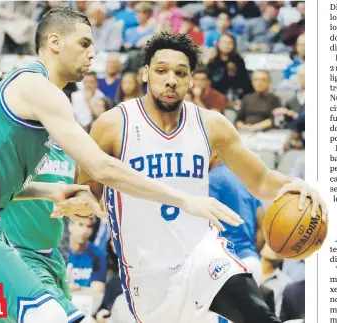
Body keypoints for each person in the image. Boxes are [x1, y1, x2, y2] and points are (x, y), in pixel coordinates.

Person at [0, 9, 244, 323]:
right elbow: (102, 167)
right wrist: (184, 198)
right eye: (83, 43)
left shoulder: (30, 95)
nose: (93, 53)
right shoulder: (37, 88)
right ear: (54, 42)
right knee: (48, 315)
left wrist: (51, 189)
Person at [77, 32, 327, 323]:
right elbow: (86, 190)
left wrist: (295, 186)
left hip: (202, 256)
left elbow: (259, 180)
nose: (171, 79)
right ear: (145, 73)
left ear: (191, 80)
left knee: (258, 314)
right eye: (161, 70)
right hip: (146, 274)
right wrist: (83, 201)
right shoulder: (112, 125)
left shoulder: (211, 125)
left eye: (180, 73)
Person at [0, 146, 85, 323]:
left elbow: (73, 203)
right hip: (19, 254)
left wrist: (82, 205)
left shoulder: (71, 150)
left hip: (52, 256)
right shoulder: (22, 139)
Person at [209, 153, 265, 285]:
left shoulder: (211, 179)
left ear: (214, 154)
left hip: (226, 267)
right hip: (253, 262)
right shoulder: (247, 179)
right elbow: (263, 231)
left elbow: (206, 226)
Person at [67, 217, 107, 292]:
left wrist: (77, 289)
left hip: (87, 301)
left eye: (89, 226)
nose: (84, 231)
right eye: (81, 224)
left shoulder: (97, 255)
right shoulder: (57, 253)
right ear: (70, 226)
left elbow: (98, 289)